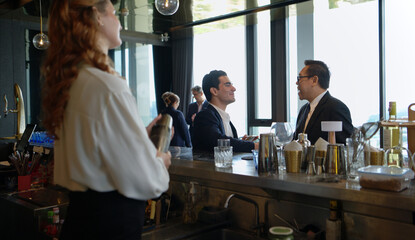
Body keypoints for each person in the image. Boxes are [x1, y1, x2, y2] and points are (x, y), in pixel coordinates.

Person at [40, 1, 170, 239]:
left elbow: (96, 149)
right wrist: (159, 161)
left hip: (80, 223)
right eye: (115, 13)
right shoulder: (107, 86)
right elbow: (147, 180)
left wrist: (138, 136)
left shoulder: (73, 82)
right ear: (97, 17)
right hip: (110, 227)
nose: (120, 22)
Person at [193, 70, 259, 152]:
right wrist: (254, 146)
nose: (234, 89)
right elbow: (219, 141)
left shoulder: (223, 116)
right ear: (214, 91)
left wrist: (243, 142)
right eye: (228, 85)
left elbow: (229, 143)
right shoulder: (205, 116)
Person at [293, 60, 353, 144]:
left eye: (299, 78)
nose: (296, 83)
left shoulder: (336, 108)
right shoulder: (303, 110)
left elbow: (345, 146)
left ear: (314, 80)